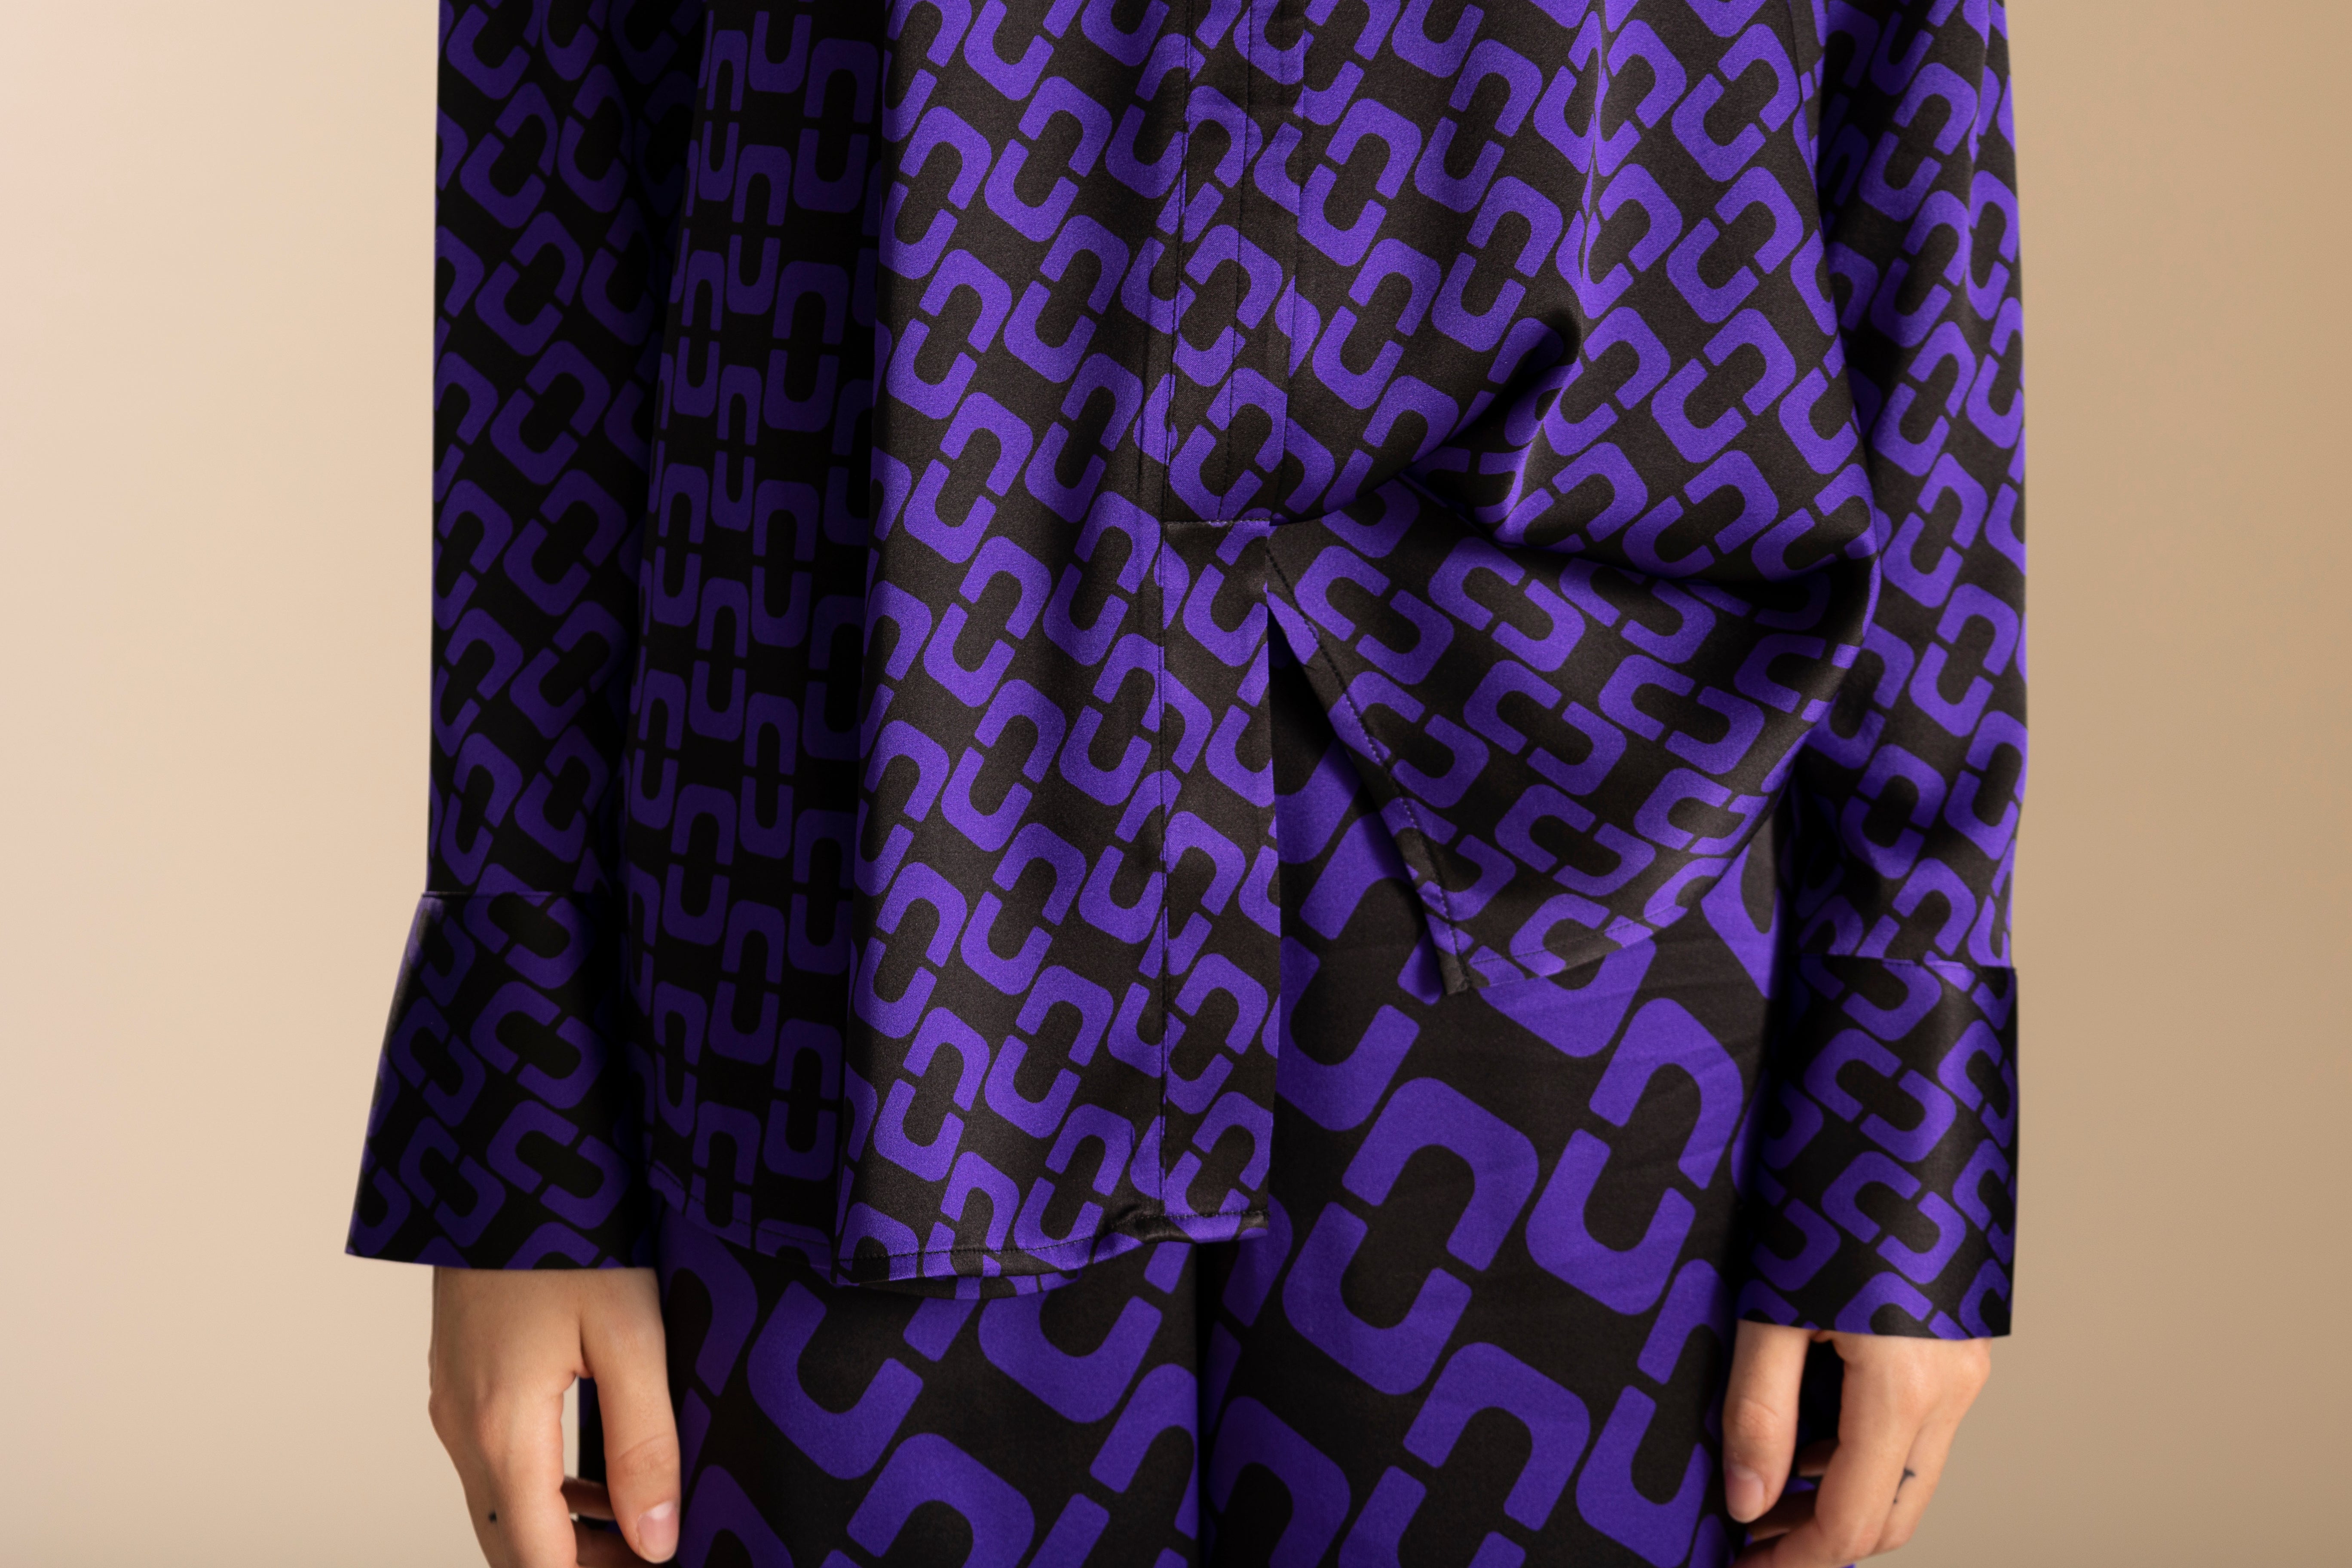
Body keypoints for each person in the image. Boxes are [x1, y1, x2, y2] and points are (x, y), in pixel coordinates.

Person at [351, 2, 2023, 1563]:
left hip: (1578, 836)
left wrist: (1904, 1110)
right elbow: (548, 181)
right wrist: (528, 1140)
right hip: (868, 847)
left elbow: (1920, 158)